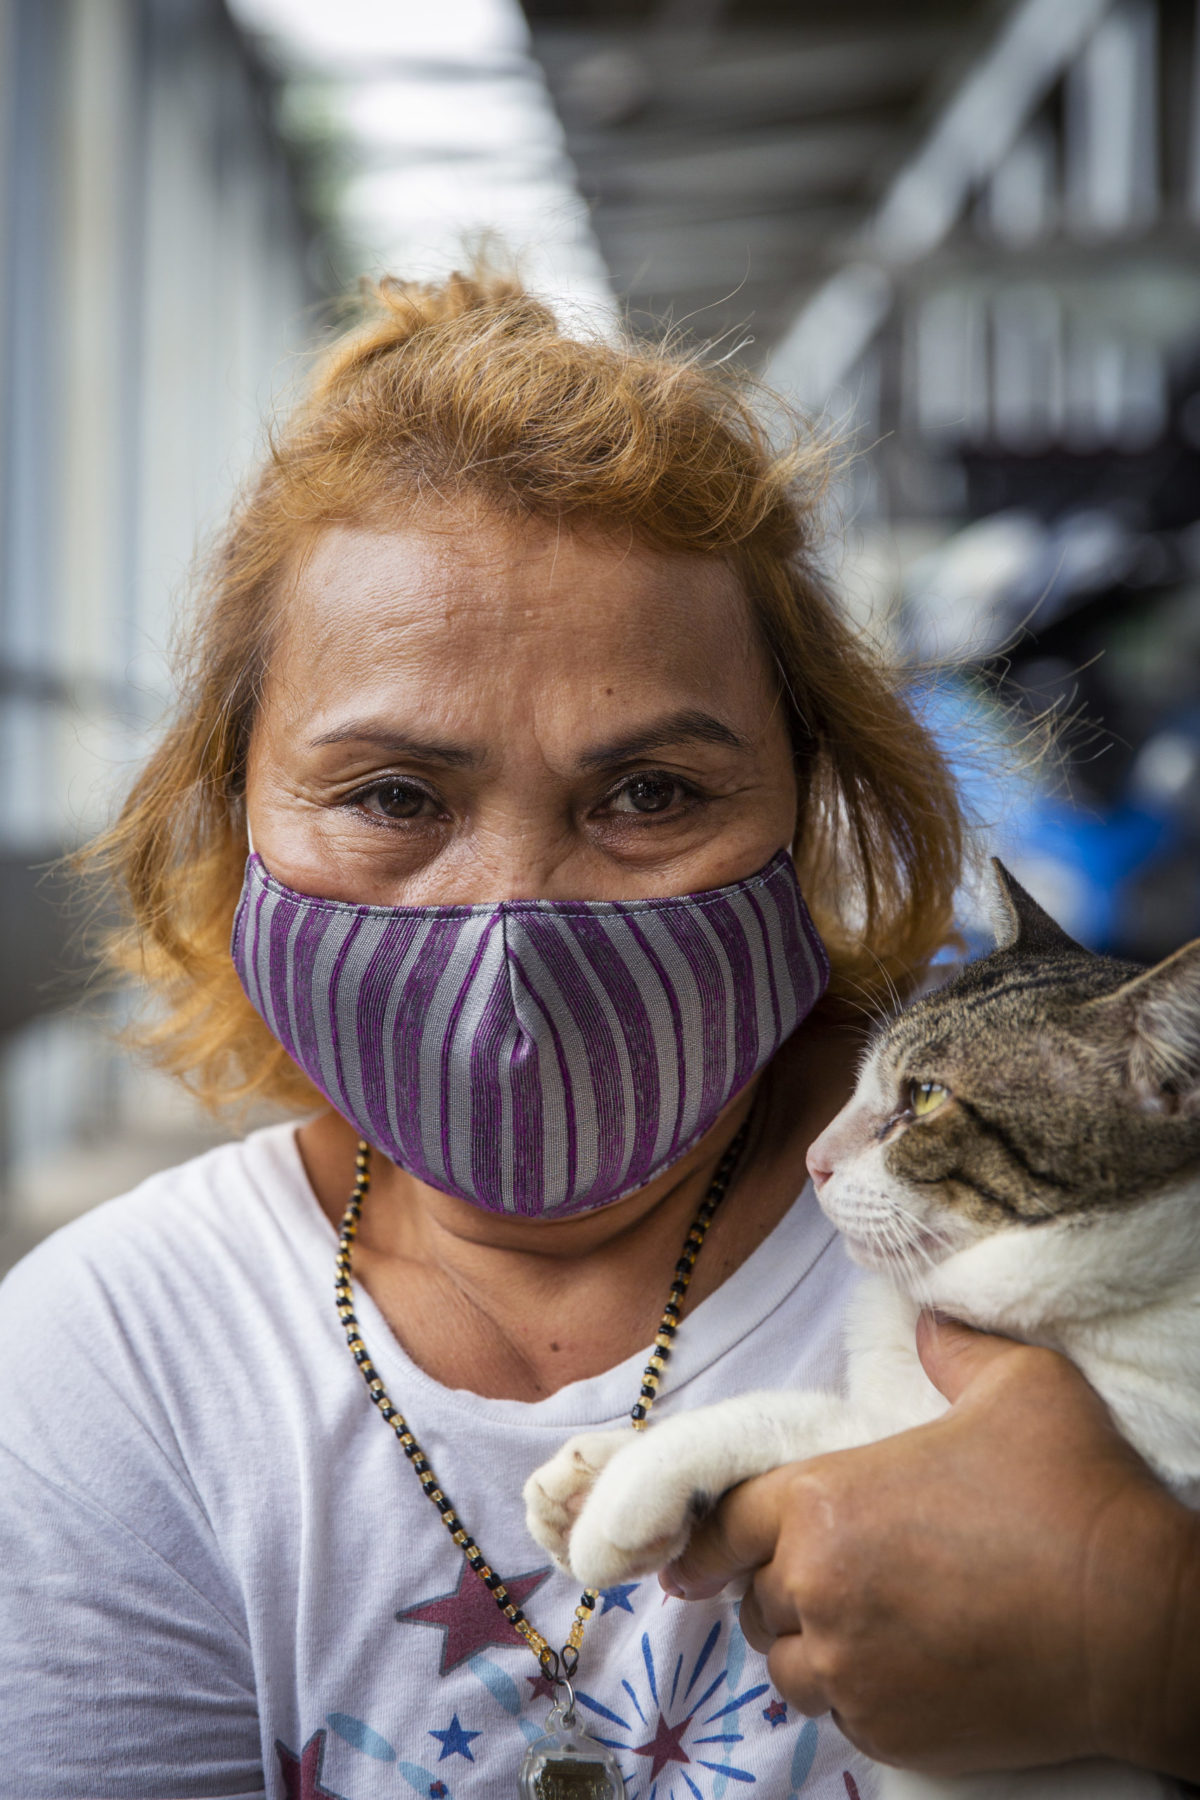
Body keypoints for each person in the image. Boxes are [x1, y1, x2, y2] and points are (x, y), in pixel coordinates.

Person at [0, 268, 1195, 1800]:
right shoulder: (117, 1371)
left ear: (820, 799)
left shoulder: (1114, 1204)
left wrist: (1157, 1647)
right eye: (391, 797)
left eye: (651, 796)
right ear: (228, 814)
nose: (516, 917)